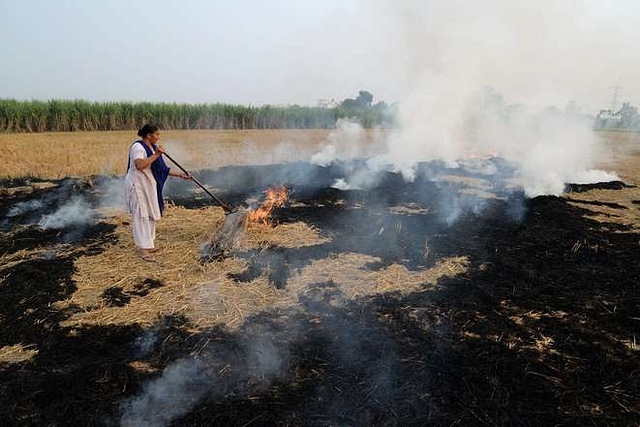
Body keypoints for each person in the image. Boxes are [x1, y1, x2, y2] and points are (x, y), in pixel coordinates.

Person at [124, 123, 190, 261]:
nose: (159, 137)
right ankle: (144, 251)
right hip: (138, 185)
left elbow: (162, 169)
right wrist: (157, 154)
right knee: (142, 214)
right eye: (157, 134)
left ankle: (149, 244)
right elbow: (140, 165)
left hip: (148, 184)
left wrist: (180, 175)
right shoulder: (138, 147)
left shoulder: (152, 147)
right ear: (149, 135)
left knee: (151, 213)